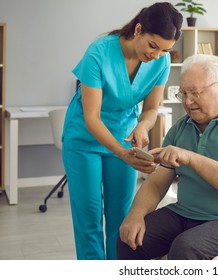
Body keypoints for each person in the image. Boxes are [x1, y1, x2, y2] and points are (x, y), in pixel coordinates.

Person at [116, 54, 218, 260]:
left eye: (195, 93)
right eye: (183, 93)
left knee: (186, 248)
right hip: (185, 213)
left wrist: (190, 158)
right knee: (129, 240)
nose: (188, 102)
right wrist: (135, 215)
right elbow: (156, 184)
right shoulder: (181, 128)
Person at [61, 2, 183, 260]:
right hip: (85, 138)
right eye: (153, 46)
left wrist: (142, 125)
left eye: (165, 50)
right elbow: (91, 118)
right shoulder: (99, 52)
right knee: (89, 217)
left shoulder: (160, 62)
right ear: (138, 29)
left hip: (124, 138)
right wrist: (121, 153)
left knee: (121, 216)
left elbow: (151, 109)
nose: (157, 55)